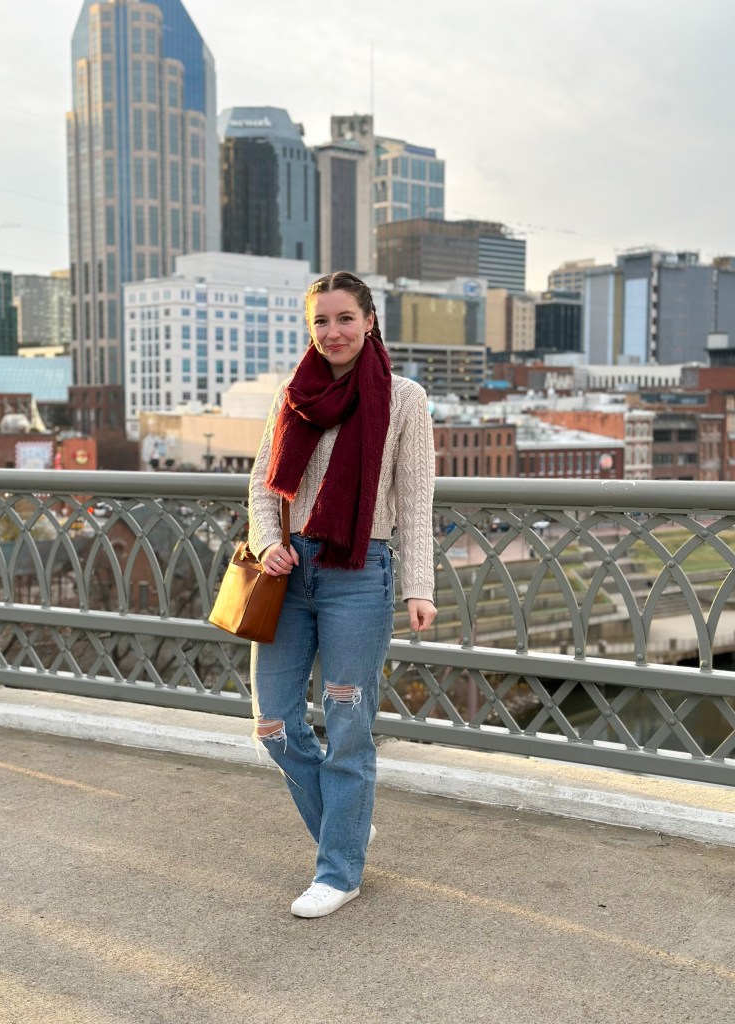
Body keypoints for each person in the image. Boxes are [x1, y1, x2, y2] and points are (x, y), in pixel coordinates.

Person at [247, 270, 437, 918]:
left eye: (345, 319)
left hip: (360, 572)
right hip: (286, 573)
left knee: (348, 722)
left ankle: (339, 871)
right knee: (273, 724)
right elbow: (263, 487)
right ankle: (349, 825)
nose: (333, 332)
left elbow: (414, 500)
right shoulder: (292, 394)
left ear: (370, 321)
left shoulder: (405, 398)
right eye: (321, 321)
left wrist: (418, 586)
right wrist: (268, 538)